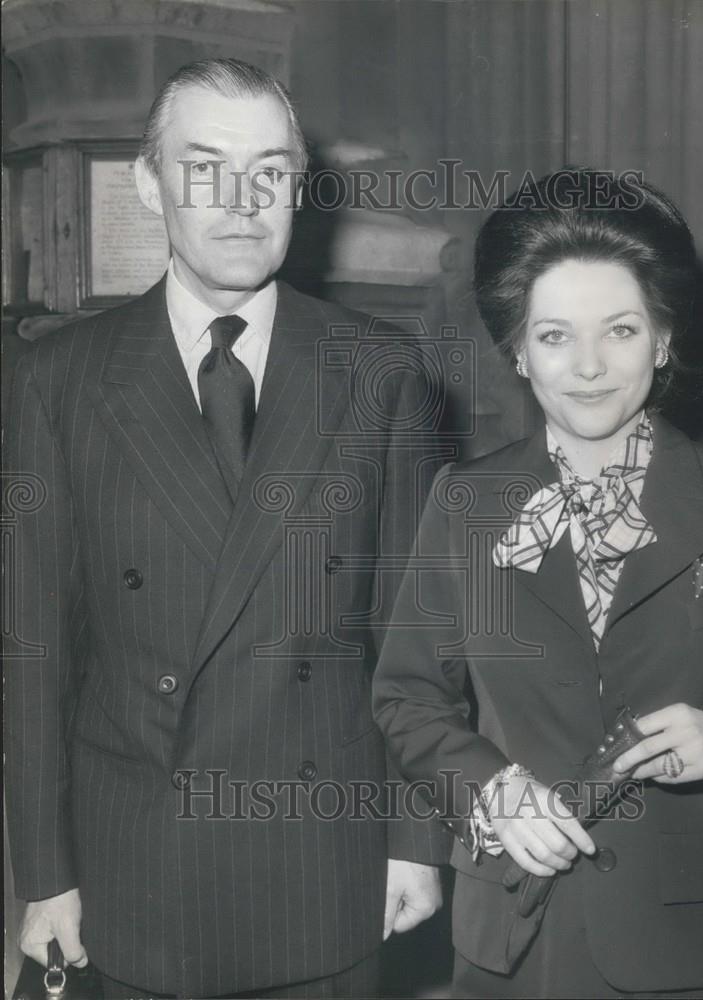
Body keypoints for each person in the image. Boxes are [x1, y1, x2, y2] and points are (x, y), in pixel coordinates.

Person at [5, 57, 447, 1000]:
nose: (243, 202)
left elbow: (418, 636)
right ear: (148, 181)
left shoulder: (381, 371)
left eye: (272, 172)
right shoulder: (58, 379)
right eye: (206, 169)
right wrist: (43, 875)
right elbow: (34, 651)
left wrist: (416, 842)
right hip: (134, 870)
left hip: (324, 863)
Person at [373, 170, 703, 997]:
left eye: (623, 330)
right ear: (519, 351)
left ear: (664, 339)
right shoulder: (466, 502)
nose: (591, 367)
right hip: (513, 941)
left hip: (691, 945)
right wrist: (491, 789)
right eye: (557, 336)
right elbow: (408, 697)